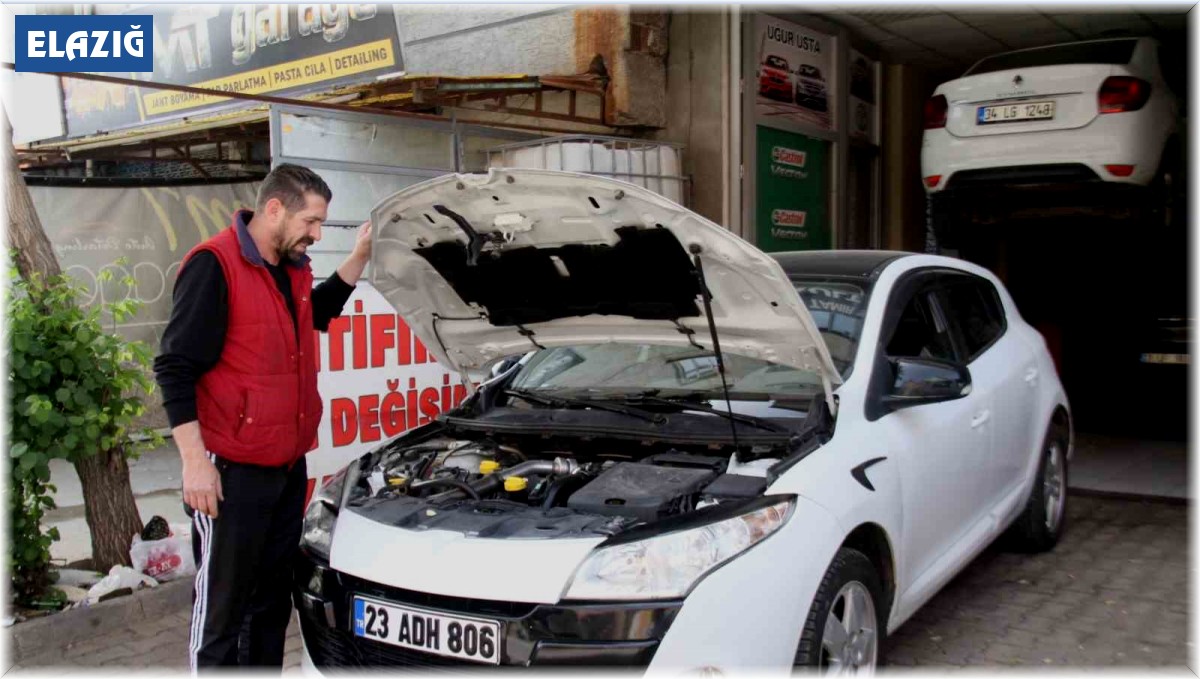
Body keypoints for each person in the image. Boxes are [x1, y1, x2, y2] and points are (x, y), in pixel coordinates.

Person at [153, 164, 371, 671]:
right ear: (274, 209)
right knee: (222, 615)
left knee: (271, 606)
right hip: (229, 474)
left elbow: (315, 314)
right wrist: (194, 464)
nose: (316, 234)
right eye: (312, 221)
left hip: (285, 470)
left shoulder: (292, 268)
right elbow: (174, 367)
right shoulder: (215, 265)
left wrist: (359, 257)